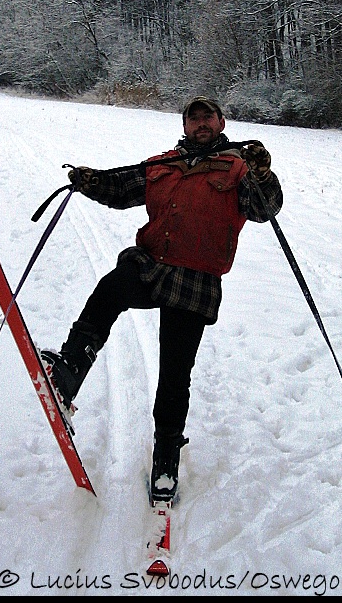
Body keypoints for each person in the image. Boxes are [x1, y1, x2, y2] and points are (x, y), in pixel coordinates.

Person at [41, 96, 283, 503]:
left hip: (197, 281)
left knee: (174, 374)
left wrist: (263, 173)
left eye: (208, 116)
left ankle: (166, 457)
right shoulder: (162, 165)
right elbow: (121, 189)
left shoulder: (239, 167)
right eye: (194, 117)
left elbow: (265, 208)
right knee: (112, 286)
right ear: (185, 125)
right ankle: (69, 371)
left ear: (221, 122)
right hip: (152, 265)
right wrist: (89, 180)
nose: (201, 122)